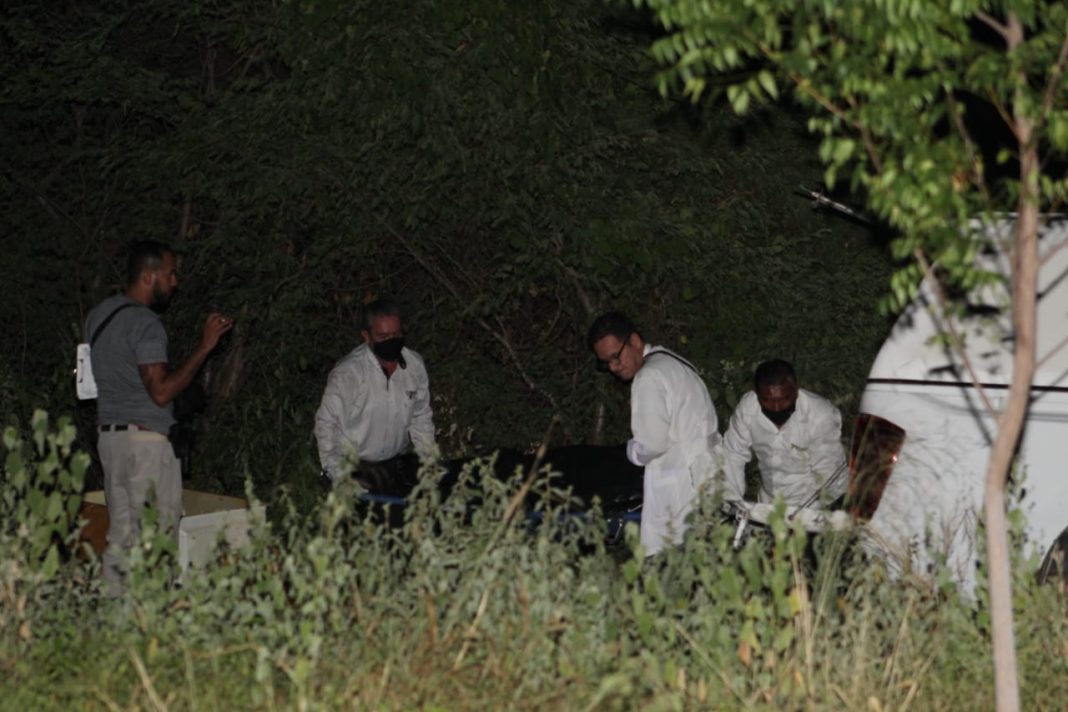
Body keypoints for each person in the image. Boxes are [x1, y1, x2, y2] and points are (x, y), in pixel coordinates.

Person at [86, 240, 232, 596]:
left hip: (111, 440)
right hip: (146, 446)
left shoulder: (98, 316)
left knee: (121, 540)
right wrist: (205, 346)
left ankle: (114, 618)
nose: (175, 282)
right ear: (148, 276)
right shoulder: (145, 323)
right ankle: (152, 622)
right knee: (156, 543)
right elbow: (161, 391)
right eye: (170, 274)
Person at [588, 311, 721, 557]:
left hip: (681, 489)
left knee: (668, 565)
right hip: (708, 477)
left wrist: (629, 452)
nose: (613, 367)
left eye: (616, 357)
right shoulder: (675, 363)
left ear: (635, 341)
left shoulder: (648, 376)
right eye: (606, 363)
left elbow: (652, 444)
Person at [314, 298, 436, 486]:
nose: (391, 341)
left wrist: (429, 463)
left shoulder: (414, 366)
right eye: (383, 336)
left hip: (396, 465)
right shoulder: (349, 373)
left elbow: (421, 417)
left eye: (396, 334)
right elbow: (327, 423)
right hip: (354, 468)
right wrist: (336, 473)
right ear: (366, 336)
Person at [721, 359, 847, 507]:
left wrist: (803, 514)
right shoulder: (748, 408)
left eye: (784, 399)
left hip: (813, 501)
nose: (776, 407)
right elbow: (733, 453)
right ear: (756, 393)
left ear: (796, 390)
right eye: (767, 400)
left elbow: (829, 476)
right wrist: (733, 501)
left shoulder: (820, 416)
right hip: (768, 502)